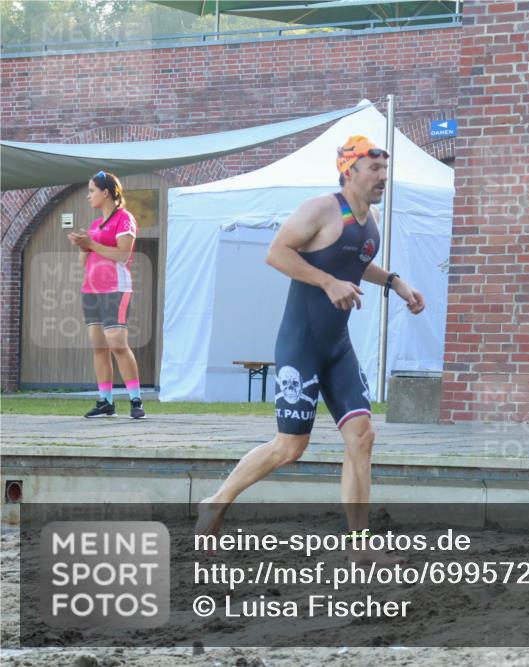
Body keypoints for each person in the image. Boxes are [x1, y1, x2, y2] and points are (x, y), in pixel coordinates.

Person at [196, 136, 425, 561]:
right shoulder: (322, 208)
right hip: (300, 345)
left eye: (384, 169)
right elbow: (276, 253)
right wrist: (326, 282)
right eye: (373, 169)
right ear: (348, 171)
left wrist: (395, 282)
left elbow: (354, 261)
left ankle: (358, 545)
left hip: (337, 347)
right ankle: (217, 500)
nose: (383, 177)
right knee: (290, 447)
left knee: (362, 435)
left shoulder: (369, 218)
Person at [67, 170, 145, 419]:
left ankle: (135, 400)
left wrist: (91, 244)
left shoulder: (125, 219)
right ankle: (106, 401)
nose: (88, 196)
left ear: (106, 192)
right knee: (99, 346)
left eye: (91, 191)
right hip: (91, 290)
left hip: (115, 289)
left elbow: (123, 254)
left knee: (117, 345)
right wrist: (82, 246)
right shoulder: (93, 225)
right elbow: (85, 262)